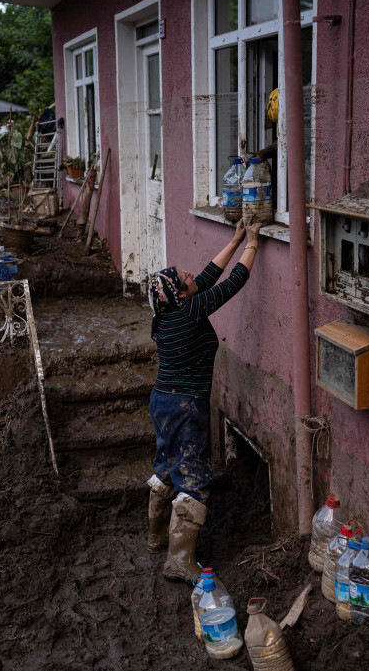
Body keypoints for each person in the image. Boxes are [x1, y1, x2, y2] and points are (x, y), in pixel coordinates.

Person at [146, 221, 261, 581]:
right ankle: (179, 560)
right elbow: (233, 282)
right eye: (184, 276)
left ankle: (156, 536)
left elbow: (208, 276)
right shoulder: (191, 310)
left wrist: (236, 238)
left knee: (166, 463)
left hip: (162, 400)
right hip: (185, 406)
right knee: (192, 475)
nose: (192, 273)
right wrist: (254, 244)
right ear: (182, 294)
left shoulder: (165, 315)